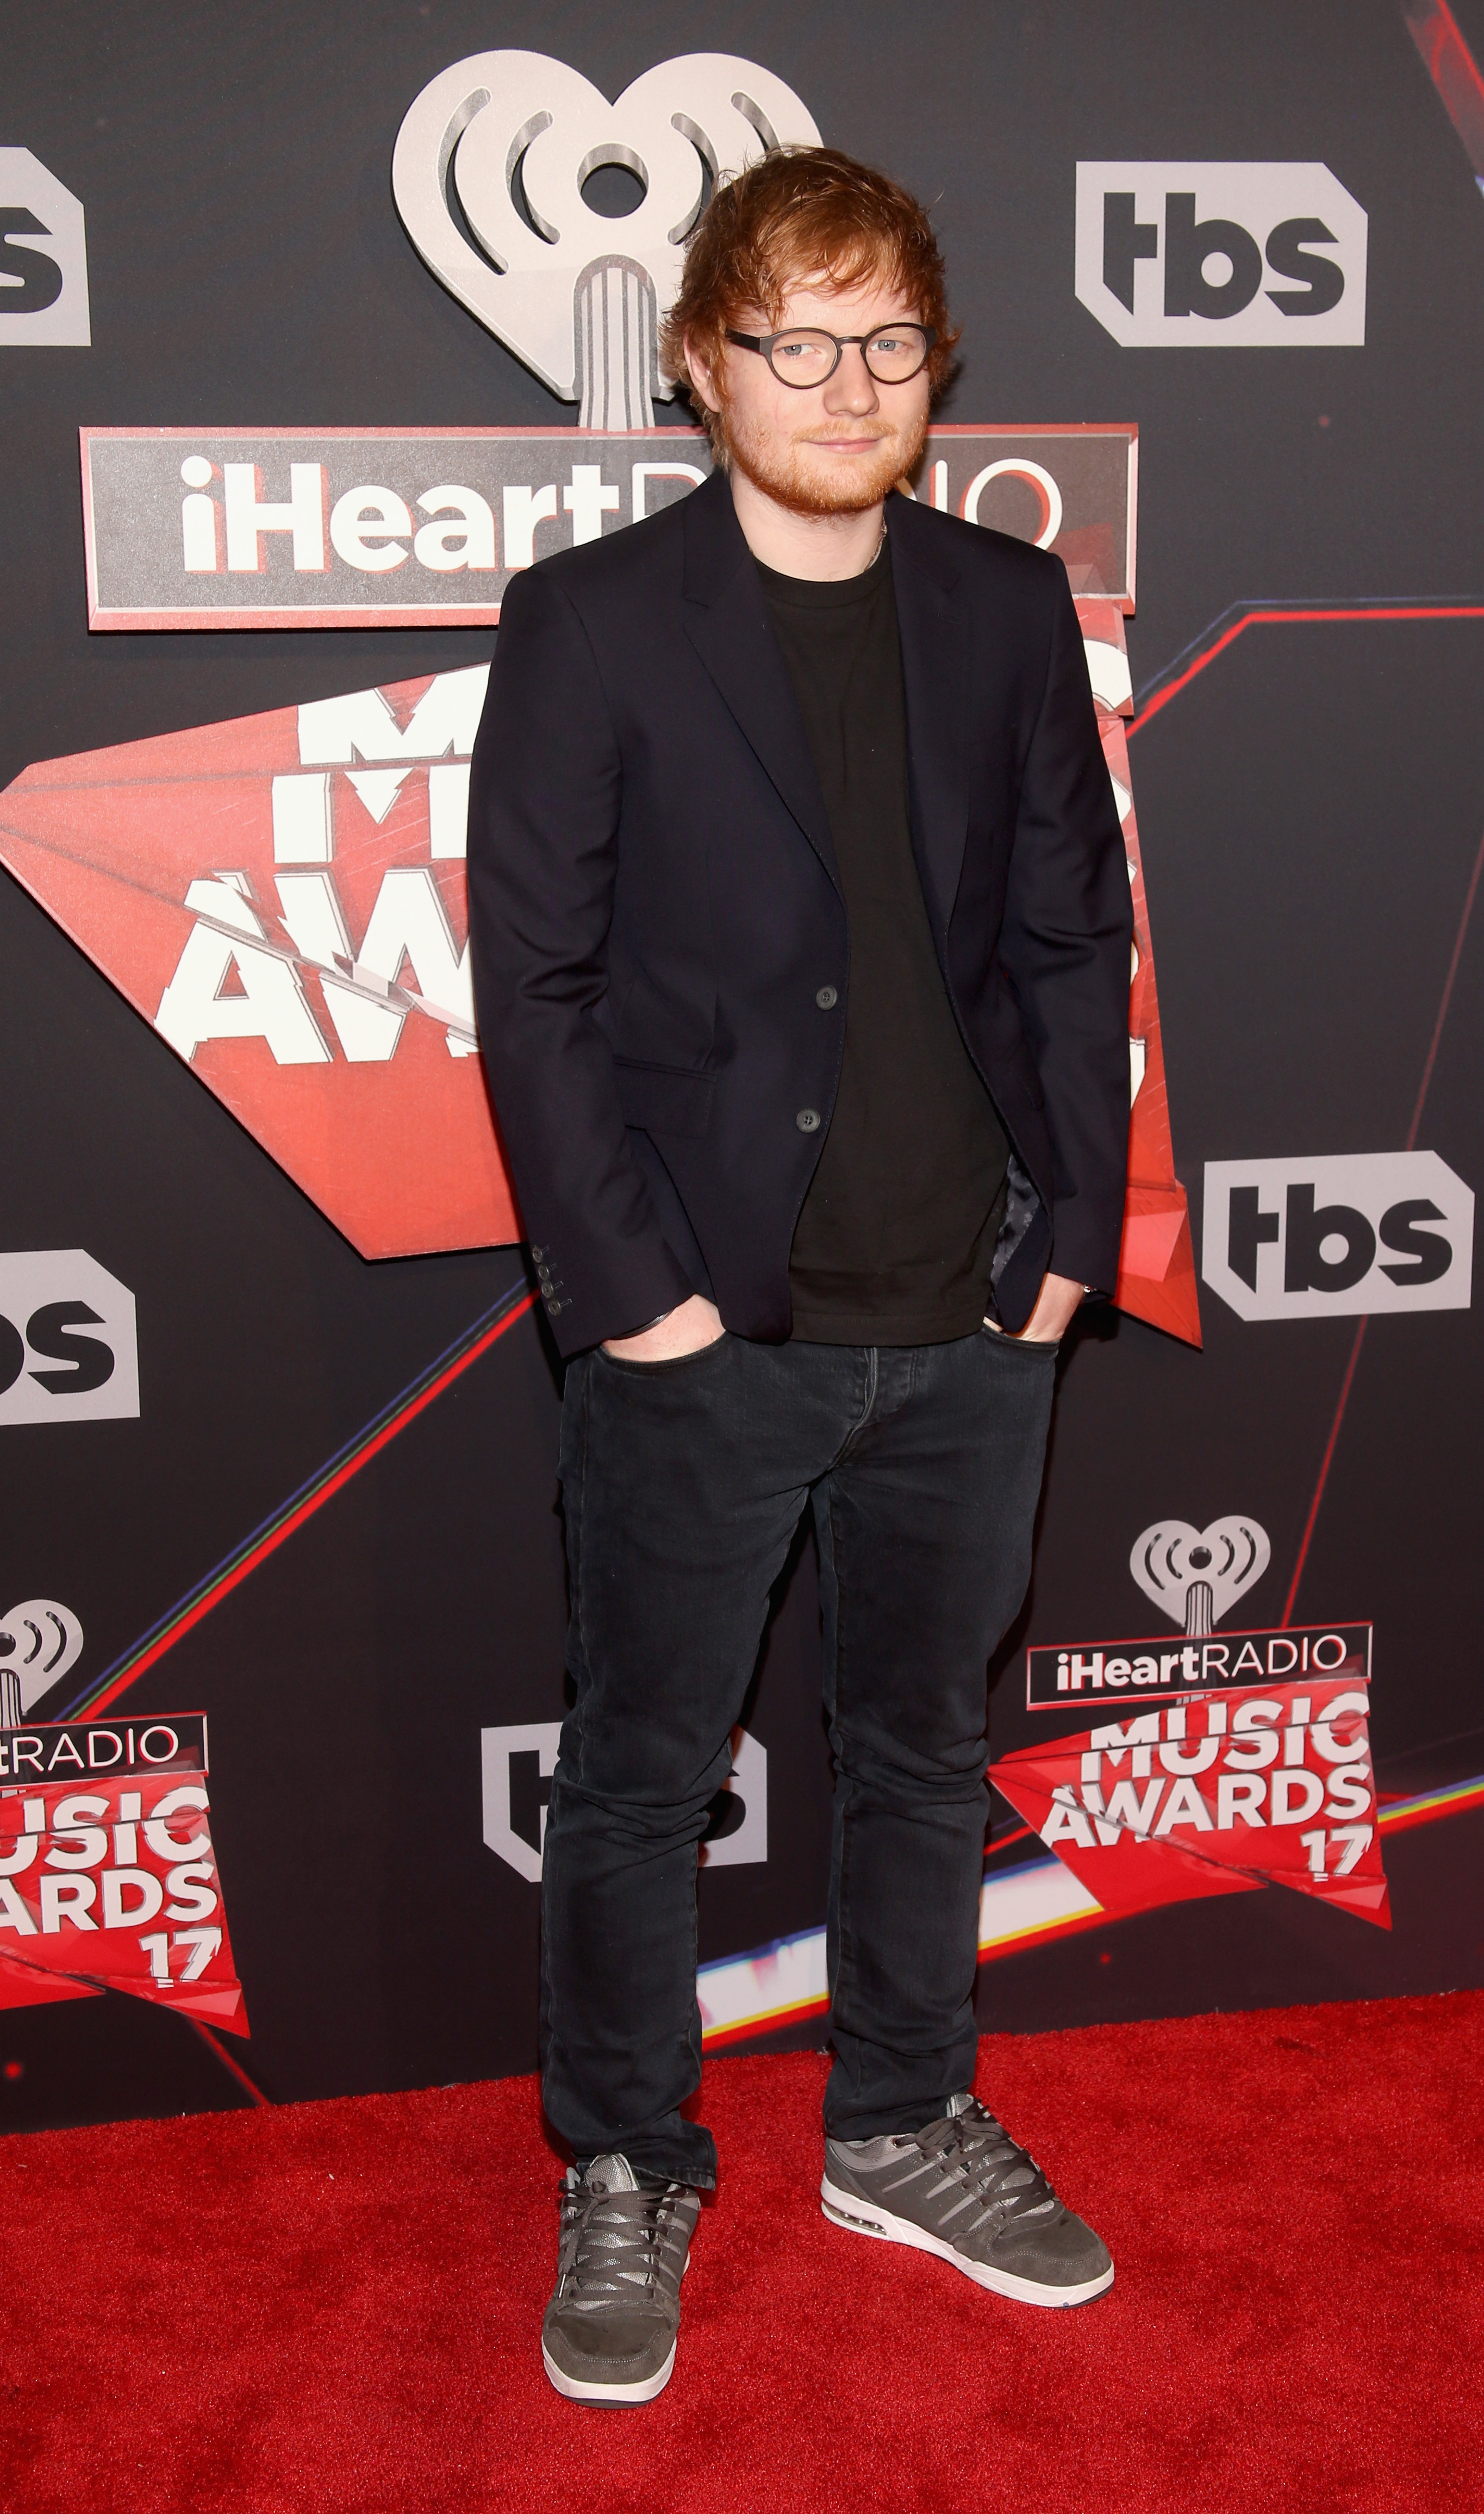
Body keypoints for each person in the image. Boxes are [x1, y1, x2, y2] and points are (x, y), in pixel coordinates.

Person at [467, 145, 1133, 2407]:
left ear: (935, 368)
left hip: (972, 1316)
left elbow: (1070, 936)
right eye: (794, 336)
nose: (845, 381)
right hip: (703, 1331)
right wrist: (632, 1294)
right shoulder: (592, 623)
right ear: (700, 358)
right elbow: (532, 984)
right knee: (645, 1769)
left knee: (928, 1750)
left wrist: (1069, 1237)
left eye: (887, 341)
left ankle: (900, 2116)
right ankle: (629, 2151)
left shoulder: (1003, 604)